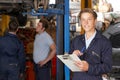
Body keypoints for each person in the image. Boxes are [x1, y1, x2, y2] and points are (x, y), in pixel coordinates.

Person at [69, 8, 112, 80]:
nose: (86, 23)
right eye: (83, 20)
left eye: (89, 19)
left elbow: (107, 67)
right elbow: (70, 62)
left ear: (95, 21)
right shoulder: (76, 40)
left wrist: (89, 67)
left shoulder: (104, 42)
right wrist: (73, 56)